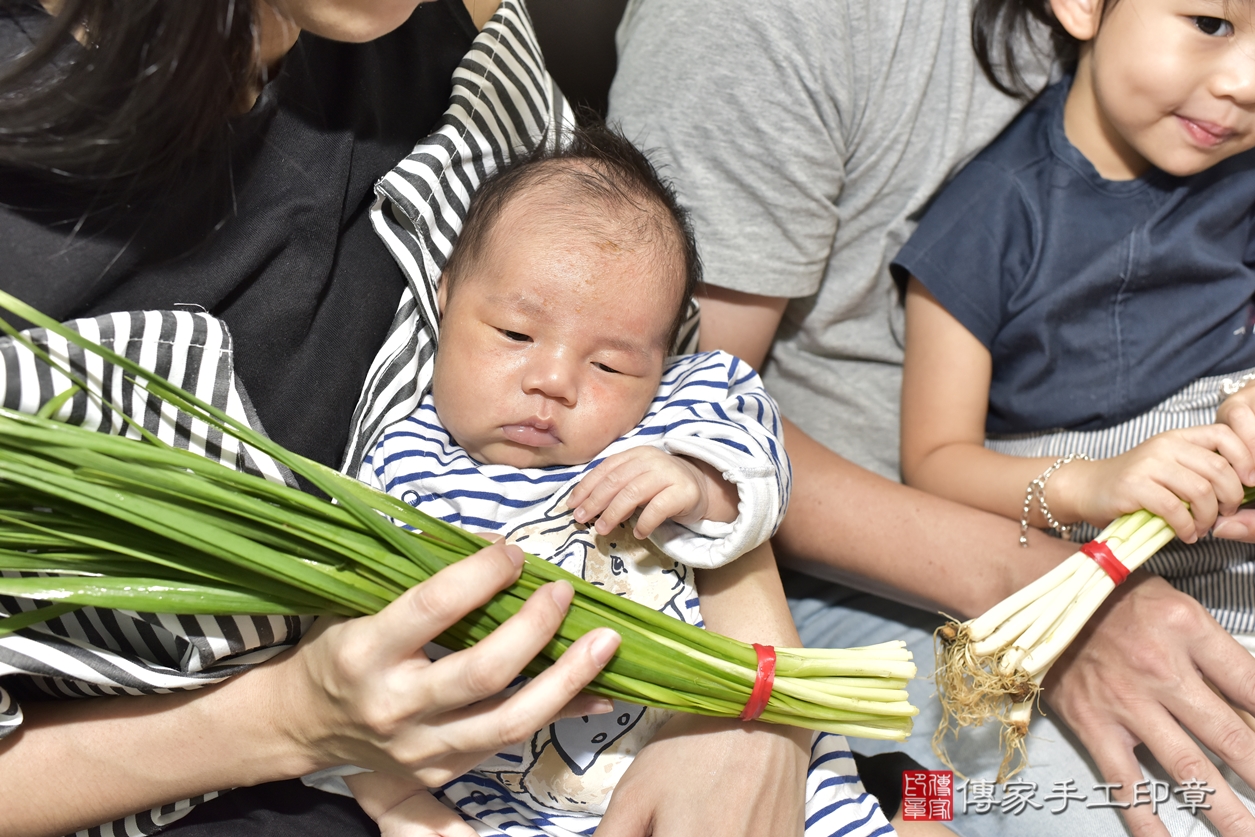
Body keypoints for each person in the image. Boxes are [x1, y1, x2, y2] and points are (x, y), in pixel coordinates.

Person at [0, 2, 815, 836]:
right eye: (513, 336)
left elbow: (666, 394)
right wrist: (285, 718)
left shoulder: (448, 38)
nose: (553, 381)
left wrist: (754, 708)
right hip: (260, 799)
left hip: (662, 716)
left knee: (930, 801)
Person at [608, 0, 1255, 835]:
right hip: (888, 578)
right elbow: (686, 414)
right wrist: (1058, 594)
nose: (1240, 84)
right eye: (1208, 24)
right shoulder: (985, 197)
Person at [327, 125, 906, 837]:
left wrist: (696, 480)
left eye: (608, 366)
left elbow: (761, 474)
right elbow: (349, 666)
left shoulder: (677, 408)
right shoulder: (399, 462)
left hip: (753, 771)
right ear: (444, 297)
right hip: (525, 803)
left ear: (662, 360)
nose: (553, 381)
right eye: (515, 333)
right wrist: (403, 809)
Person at [897, 0, 1255, 639]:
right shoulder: (990, 213)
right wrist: (1093, 483)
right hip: (1109, 571)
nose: (1245, 83)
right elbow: (933, 461)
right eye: (1211, 24)